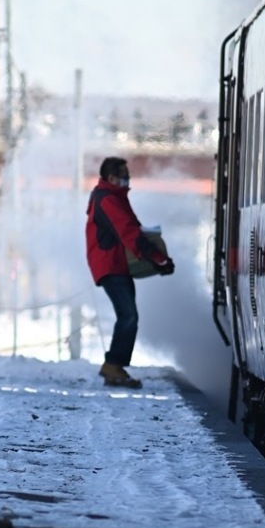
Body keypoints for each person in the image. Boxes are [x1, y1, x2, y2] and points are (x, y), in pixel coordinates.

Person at [85, 155, 174, 389]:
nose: (128, 181)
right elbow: (129, 232)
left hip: (116, 265)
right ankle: (113, 365)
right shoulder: (107, 199)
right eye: (125, 177)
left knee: (128, 316)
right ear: (112, 177)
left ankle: (115, 366)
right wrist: (157, 258)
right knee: (129, 315)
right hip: (110, 264)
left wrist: (157, 260)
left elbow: (132, 229)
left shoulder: (114, 197)